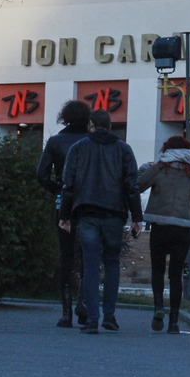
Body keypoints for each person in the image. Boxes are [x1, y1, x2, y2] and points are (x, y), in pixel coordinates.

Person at [59, 109, 143, 334]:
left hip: (87, 214)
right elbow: (131, 186)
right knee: (112, 263)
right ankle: (110, 316)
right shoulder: (124, 149)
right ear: (111, 125)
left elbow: (68, 185)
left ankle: (91, 319)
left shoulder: (78, 149)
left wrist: (64, 216)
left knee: (91, 265)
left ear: (91, 125)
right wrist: (137, 218)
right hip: (114, 214)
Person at [36, 100, 93, 327]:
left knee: (66, 256)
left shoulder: (56, 141)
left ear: (64, 117)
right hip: (89, 202)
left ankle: (66, 312)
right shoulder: (92, 142)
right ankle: (84, 304)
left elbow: (41, 174)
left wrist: (58, 190)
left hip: (63, 203)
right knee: (88, 255)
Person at [138, 135, 190, 334]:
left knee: (157, 269)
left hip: (160, 225)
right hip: (182, 228)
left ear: (166, 150)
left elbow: (138, 185)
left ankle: (158, 306)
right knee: (175, 274)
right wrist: (186, 213)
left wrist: (145, 167)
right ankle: (174, 322)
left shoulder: (159, 167)